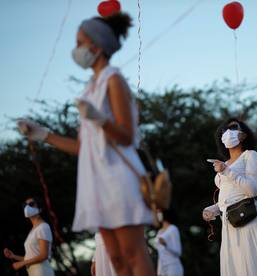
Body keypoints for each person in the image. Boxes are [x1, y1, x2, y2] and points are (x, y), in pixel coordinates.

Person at [17, 12, 155, 276]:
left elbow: (127, 136)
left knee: (133, 253)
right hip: (96, 179)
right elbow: (83, 147)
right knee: (115, 257)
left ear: (97, 46)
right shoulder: (90, 89)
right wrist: (42, 134)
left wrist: (101, 119)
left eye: (80, 42)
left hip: (119, 177)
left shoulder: (113, 79)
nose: (76, 49)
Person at [202, 118, 257, 276]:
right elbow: (230, 195)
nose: (228, 133)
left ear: (243, 135)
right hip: (230, 222)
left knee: (256, 263)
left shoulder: (250, 156)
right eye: (224, 130)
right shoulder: (225, 163)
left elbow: (252, 189)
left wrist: (226, 171)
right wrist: (214, 209)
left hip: (251, 218)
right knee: (237, 266)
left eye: (233, 128)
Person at [3, 197, 54, 276]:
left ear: (40, 209)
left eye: (31, 204)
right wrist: (13, 256)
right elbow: (31, 257)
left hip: (42, 271)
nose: (27, 207)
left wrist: (22, 264)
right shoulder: (33, 230)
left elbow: (44, 255)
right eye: (25, 205)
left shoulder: (43, 227)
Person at [155, 209, 184, 276]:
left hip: (173, 266)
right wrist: (159, 271)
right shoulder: (159, 232)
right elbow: (160, 253)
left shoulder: (173, 229)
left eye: (159, 212)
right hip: (163, 268)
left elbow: (178, 252)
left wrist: (166, 244)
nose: (157, 214)